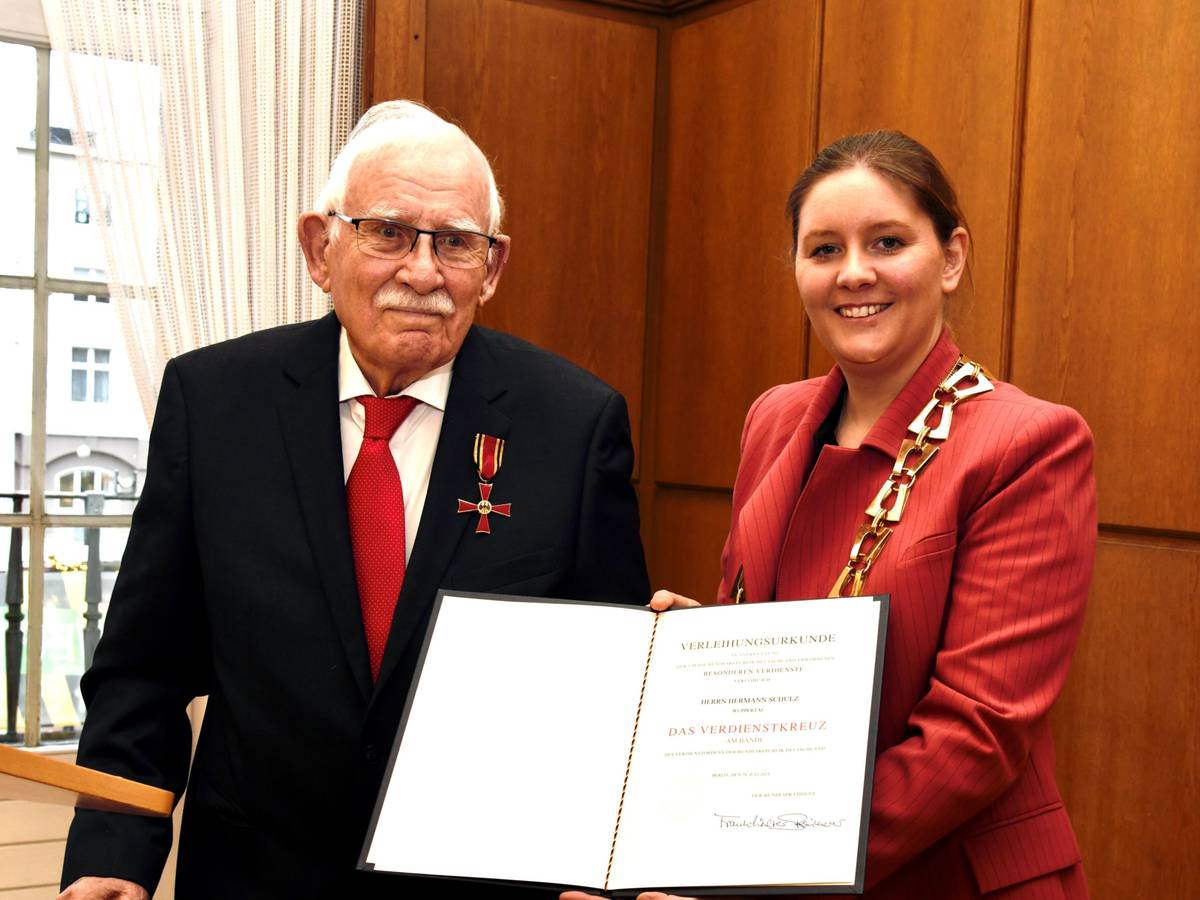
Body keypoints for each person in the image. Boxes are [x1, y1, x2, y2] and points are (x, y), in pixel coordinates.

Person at [59, 100, 649, 899]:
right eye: (389, 232)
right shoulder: (214, 402)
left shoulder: (575, 425)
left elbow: (603, 694)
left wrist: (603, 868)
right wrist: (111, 856)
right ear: (320, 247)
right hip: (251, 874)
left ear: (494, 266)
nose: (423, 271)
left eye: (456, 242)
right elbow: (143, 668)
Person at [567, 131, 1095, 900]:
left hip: (945, 876)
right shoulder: (775, 419)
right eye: (822, 250)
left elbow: (978, 732)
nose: (854, 274)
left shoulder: (1027, 445)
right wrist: (700, 654)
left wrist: (747, 869)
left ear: (951, 258)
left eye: (887, 241)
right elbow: (775, 639)